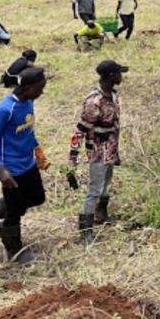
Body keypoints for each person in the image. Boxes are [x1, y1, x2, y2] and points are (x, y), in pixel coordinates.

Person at [0, 68, 49, 264]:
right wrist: (1, 169)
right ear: (28, 87)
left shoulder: (28, 102)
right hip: (11, 170)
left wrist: (37, 151)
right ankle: (14, 251)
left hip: (28, 163)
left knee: (38, 197)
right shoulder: (5, 110)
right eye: (40, 88)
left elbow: (27, 130)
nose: (42, 92)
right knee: (15, 212)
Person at [68, 61, 128, 244]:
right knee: (94, 190)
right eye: (119, 73)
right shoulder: (94, 102)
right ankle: (86, 230)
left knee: (106, 184)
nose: (121, 76)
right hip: (97, 151)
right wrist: (72, 159)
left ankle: (101, 215)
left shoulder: (113, 95)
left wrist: (116, 153)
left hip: (109, 150)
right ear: (111, 76)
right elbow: (79, 131)